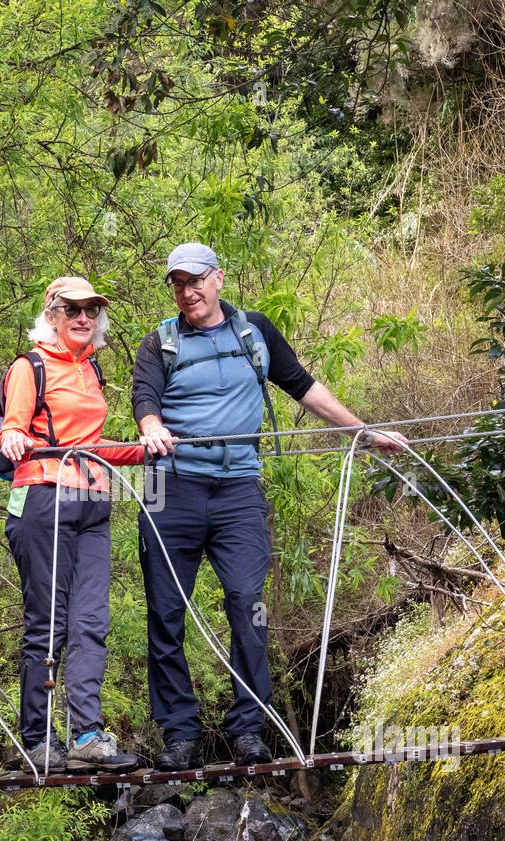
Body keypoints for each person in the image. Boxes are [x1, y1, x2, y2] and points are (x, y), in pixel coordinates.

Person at [132, 242, 408, 770]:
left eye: (195, 280)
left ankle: (249, 729)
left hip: (238, 488)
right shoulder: (160, 343)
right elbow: (144, 399)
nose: (186, 291)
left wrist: (364, 432)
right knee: (166, 613)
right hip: (169, 487)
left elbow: (303, 386)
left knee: (246, 603)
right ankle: (180, 735)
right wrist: (152, 427)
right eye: (177, 283)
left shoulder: (253, 330)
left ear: (218, 278)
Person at [0, 277, 144, 771]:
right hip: (42, 498)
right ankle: (37, 739)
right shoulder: (30, 366)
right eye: (73, 310)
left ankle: (85, 734)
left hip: (93, 502)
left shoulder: (92, 370)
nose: (84, 318)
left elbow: (94, 443)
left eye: (91, 311)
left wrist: (146, 449)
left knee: (90, 623)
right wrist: (15, 438)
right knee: (48, 624)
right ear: (53, 314)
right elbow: (13, 427)